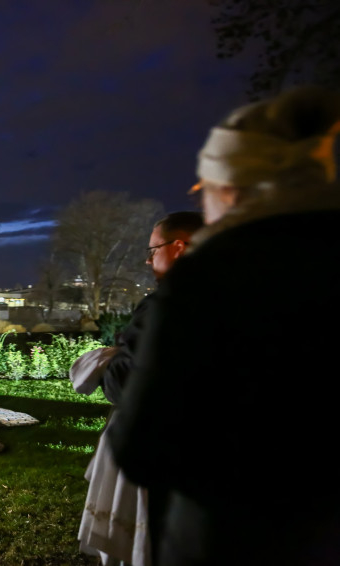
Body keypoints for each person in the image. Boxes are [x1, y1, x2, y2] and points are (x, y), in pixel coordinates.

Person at [108, 85, 340, 565]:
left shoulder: (208, 281)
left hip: (229, 539)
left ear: (231, 189)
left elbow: (142, 447)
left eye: (203, 189)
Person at [74, 211, 204, 566]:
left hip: (160, 455)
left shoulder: (170, 303)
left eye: (153, 249)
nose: (148, 260)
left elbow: (128, 383)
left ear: (178, 247)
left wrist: (105, 365)